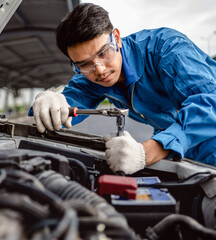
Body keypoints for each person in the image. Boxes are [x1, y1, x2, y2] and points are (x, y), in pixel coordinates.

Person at [32, 3, 216, 174]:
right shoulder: (90, 76)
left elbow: (210, 103)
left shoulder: (167, 49)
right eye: (84, 64)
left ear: (117, 38)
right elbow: (67, 103)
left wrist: (146, 152)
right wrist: (50, 100)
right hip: (181, 152)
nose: (100, 70)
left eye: (103, 53)